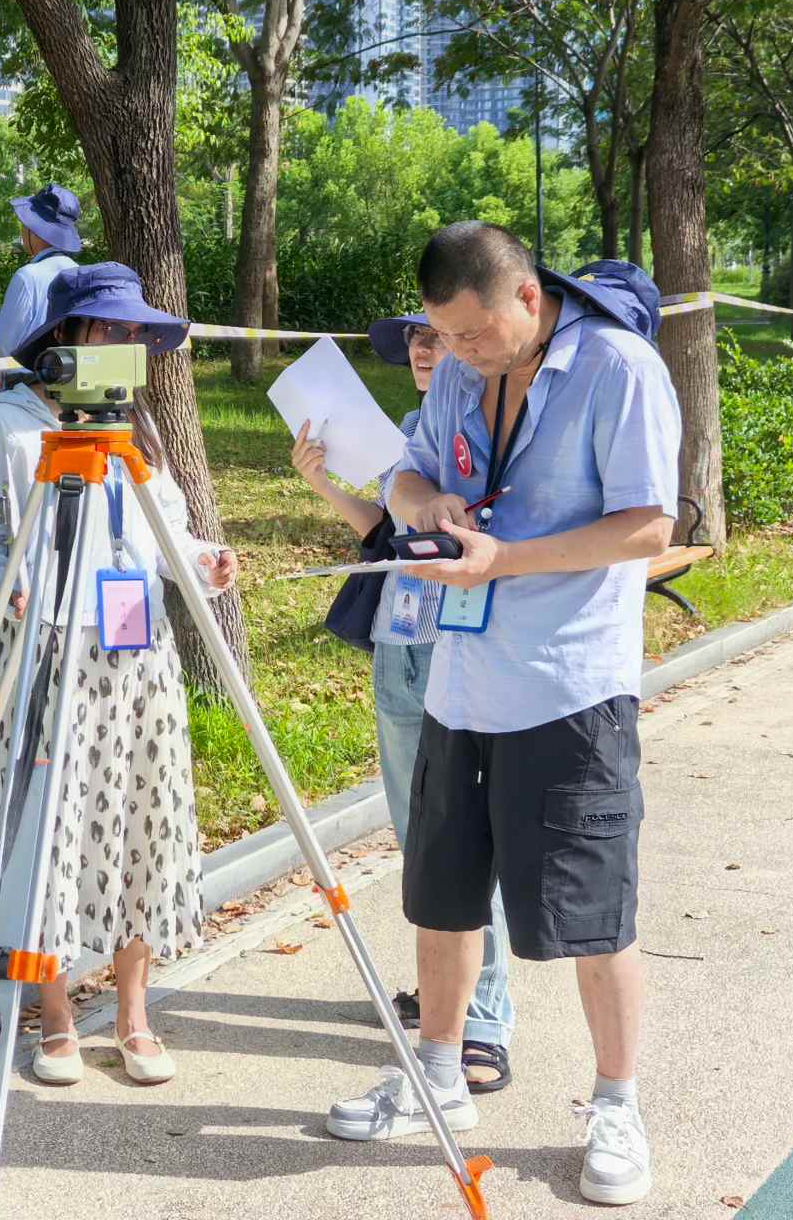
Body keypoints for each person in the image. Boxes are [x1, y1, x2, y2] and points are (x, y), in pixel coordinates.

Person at [322, 222, 679, 1207]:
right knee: (441, 894)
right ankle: (439, 1072)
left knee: (595, 913)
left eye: (473, 334)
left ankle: (617, 1105)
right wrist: (428, 506)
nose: (458, 355)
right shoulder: (455, 369)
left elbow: (651, 525)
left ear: (528, 296)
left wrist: (505, 560)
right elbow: (403, 476)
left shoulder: (618, 369)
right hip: (458, 680)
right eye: (442, 336)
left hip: (569, 687)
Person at [0, 262, 239, 1088]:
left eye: (135, 334)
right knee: (47, 827)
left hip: (138, 658)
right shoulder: (9, 425)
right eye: (110, 329)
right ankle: (55, 1016)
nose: (124, 345)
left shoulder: (138, 427)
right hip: (48, 651)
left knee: (144, 819)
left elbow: (167, 533)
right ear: (67, 337)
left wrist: (203, 564)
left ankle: (135, 1015)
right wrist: (8, 589)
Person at [289, 312, 516, 1096]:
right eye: (415, 340)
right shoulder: (413, 437)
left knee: (468, 841)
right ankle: (446, 985)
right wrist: (323, 484)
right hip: (399, 646)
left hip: (463, 645)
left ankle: (483, 1021)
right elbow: (384, 536)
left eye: (435, 335)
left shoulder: (494, 429)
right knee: (422, 842)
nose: (423, 349)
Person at [0, 184, 84, 386]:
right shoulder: (80, 273)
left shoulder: (27, 276)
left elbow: (4, 345)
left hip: (25, 387)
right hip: (69, 381)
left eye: (25, 224)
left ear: (35, 230)